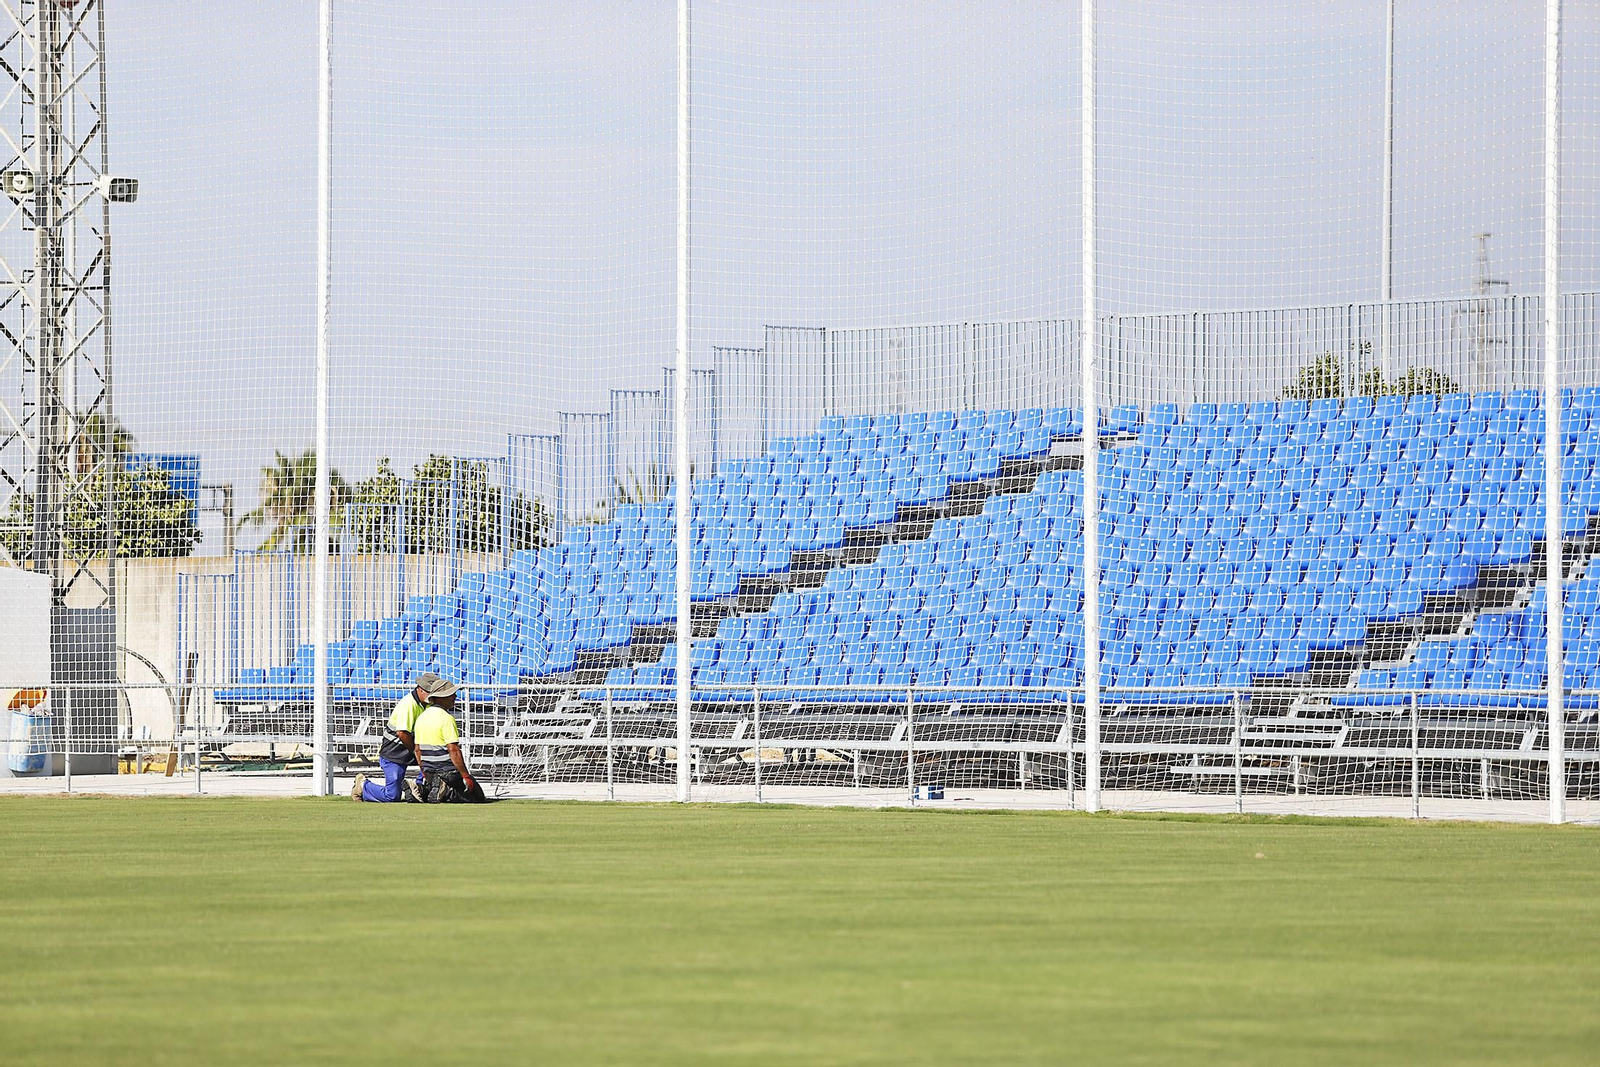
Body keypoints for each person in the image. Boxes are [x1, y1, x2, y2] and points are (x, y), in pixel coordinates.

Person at [353, 671, 443, 803]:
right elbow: (402, 733)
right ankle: (363, 786)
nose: (431, 695)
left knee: (435, 761)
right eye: (429, 691)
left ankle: (418, 787)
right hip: (394, 752)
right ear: (420, 689)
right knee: (392, 796)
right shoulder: (408, 704)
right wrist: (416, 751)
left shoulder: (429, 704)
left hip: (413, 747)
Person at [413, 680, 488, 803]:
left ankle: (421, 790)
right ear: (441, 697)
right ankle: (447, 791)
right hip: (447, 772)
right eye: (451, 694)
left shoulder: (421, 717)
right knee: (476, 796)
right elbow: (453, 750)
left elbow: (417, 749)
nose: (455, 697)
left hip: (429, 770)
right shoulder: (447, 718)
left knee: (435, 786)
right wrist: (465, 775)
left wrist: (424, 771)